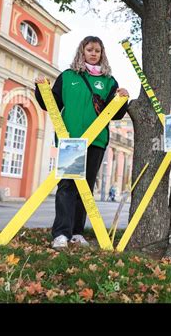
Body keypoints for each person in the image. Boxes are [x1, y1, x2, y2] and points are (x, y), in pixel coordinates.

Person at [34, 36, 129, 249]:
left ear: (102, 54)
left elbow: (114, 114)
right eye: (89, 49)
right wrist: (41, 89)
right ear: (82, 52)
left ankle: (77, 232)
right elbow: (52, 104)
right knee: (67, 186)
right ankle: (61, 234)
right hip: (71, 141)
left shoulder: (109, 81)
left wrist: (122, 98)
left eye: (97, 50)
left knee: (84, 187)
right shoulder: (67, 77)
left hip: (96, 141)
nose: (94, 53)